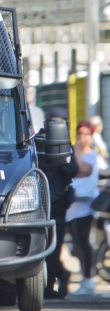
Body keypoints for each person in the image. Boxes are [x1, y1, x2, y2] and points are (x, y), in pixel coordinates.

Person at [39, 107, 78, 299]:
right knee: (47, 245)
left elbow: (73, 169)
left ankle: (51, 282)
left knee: (53, 245)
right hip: (43, 201)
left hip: (54, 201)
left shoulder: (64, 144)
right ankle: (51, 281)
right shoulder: (36, 141)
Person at [66, 120, 99, 295]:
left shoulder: (91, 156)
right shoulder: (75, 154)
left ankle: (89, 279)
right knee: (76, 243)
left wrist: (76, 151)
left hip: (86, 205)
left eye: (86, 134)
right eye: (80, 134)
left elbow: (82, 170)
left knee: (85, 242)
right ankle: (85, 277)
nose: (82, 137)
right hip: (72, 205)